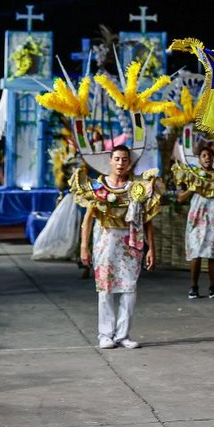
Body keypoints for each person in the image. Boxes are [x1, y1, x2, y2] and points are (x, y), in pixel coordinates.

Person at [70, 145, 162, 349]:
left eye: (124, 159)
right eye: (117, 159)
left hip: (131, 242)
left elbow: (147, 221)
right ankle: (105, 334)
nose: (121, 163)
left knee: (130, 288)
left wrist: (151, 249)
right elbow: (88, 220)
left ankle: (123, 334)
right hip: (105, 239)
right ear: (110, 161)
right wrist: (84, 246)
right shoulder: (98, 187)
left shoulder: (138, 188)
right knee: (105, 288)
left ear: (130, 163)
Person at [173, 147, 214, 300]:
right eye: (204, 156)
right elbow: (180, 198)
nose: (207, 158)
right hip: (197, 218)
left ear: (213, 159)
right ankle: (194, 287)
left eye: (210, 156)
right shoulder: (192, 176)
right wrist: (193, 188)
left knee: (212, 253)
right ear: (198, 159)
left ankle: (213, 287)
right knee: (196, 253)